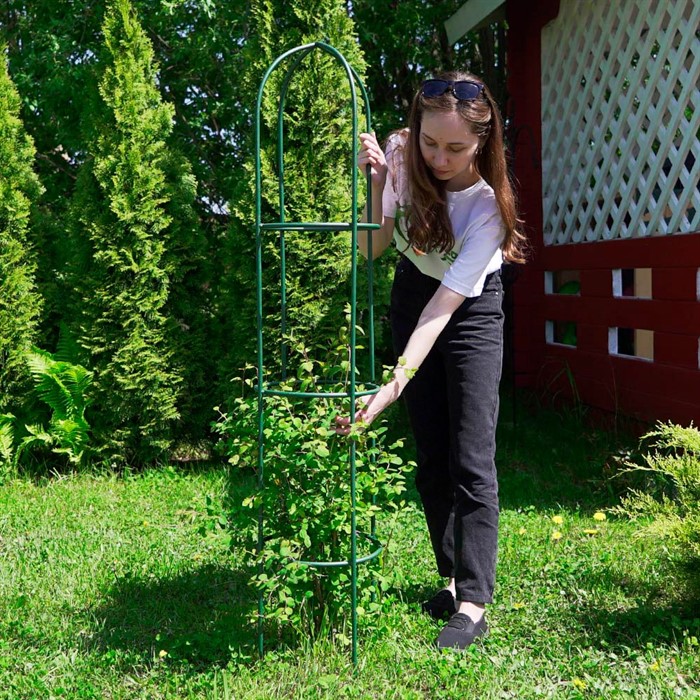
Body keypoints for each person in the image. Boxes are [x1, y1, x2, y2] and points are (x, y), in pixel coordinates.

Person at [335, 72, 526, 650]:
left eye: (455, 148)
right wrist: (377, 184)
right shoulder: (399, 153)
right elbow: (371, 247)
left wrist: (390, 386)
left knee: (471, 455)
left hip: (467, 310)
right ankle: (449, 577)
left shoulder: (488, 211)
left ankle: (473, 600)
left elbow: (445, 311)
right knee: (431, 453)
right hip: (412, 290)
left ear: (483, 143)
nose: (438, 158)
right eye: (429, 143)